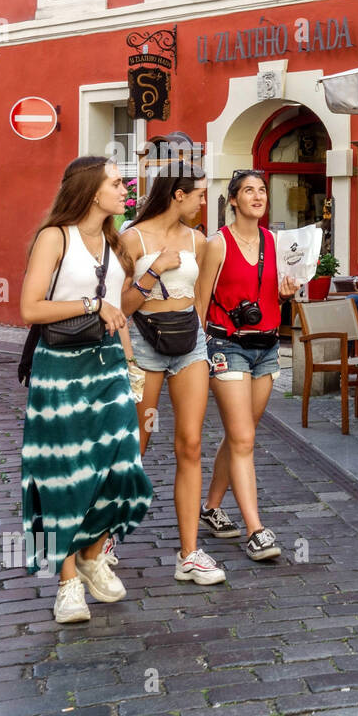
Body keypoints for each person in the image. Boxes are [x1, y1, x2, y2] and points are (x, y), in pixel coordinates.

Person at [19, 156, 154, 623]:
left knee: (122, 466)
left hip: (109, 366)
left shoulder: (116, 244)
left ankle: (96, 553)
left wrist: (131, 360)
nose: (125, 190)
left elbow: (117, 311)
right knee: (65, 475)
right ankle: (68, 582)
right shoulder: (55, 237)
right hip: (59, 370)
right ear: (92, 191)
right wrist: (90, 303)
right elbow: (30, 309)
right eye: (117, 183)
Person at [120, 163, 224, 585]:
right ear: (176, 195)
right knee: (136, 443)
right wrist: (154, 269)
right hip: (145, 343)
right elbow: (122, 305)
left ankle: (190, 553)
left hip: (189, 344)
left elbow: (201, 300)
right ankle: (105, 536)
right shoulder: (132, 238)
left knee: (192, 444)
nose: (203, 202)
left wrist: (197, 338)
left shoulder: (198, 240)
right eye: (198, 194)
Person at [196, 170, 298, 561]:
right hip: (227, 345)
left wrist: (288, 294)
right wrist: (198, 351)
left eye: (262, 191)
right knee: (243, 439)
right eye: (248, 191)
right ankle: (256, 530)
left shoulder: (274, 241)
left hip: (267, 346)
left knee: (242, 435)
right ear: (233, 201)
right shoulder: (216, 244)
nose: (257, 196)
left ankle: (210, 507)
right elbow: (199, 301)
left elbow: (277, 293)